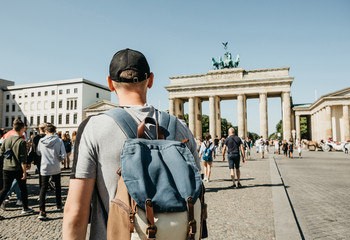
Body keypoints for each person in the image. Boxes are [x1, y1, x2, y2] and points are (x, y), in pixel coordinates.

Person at [63, 48, 200, 239]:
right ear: (150, 80)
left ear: (110, 84)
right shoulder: (181, 128)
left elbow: (76, 212)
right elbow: (195, 193)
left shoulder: (94, 127)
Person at [0, 119, 33, 219]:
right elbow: (23, 159)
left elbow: (1, 154)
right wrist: (24, 172)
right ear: (22, 129)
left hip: (6, 168)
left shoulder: (6, 140)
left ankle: (25, 207)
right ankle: (25, 207)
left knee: (5, 189)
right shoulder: (21, 141)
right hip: (17, 168)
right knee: (23, 189)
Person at [36, 123, 66, 220]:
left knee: (43, 188)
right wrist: (58, 159)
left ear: (46, 131)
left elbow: (38, 152)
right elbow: (63, 155)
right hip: (55, 166)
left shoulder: (41, 141)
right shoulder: (59, 140)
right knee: (57, 185)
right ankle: (58, 205)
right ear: (54, 131)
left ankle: (42, 211)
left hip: (45, 166)